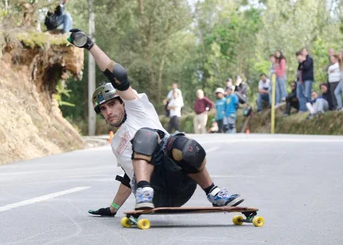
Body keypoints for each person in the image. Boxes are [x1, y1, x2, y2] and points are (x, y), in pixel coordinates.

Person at [66, 29, 243, 216]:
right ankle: (144, 191)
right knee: (144, 142)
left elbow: (118, 76)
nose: (108, 112)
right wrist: (112, 209)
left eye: (111, 104)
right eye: (103, 109)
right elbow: (128, 176)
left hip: (180, 184)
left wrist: (90, 45)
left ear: (122, 102)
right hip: (154, 194)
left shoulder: (138, 109)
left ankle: (214, 193)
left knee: (175, 141)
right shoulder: (116, 143)